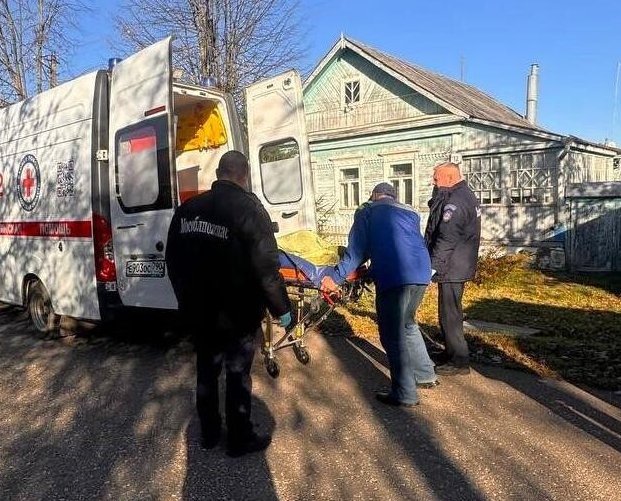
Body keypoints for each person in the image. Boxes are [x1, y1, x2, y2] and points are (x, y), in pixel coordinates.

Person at [166, 150, 293, 456]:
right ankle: (239, 439)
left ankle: (209, 434)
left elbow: (172, 260)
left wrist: (185, 299)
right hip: (239, 314)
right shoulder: (250, 210)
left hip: (200, 312)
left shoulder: (188, 210)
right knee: (237, 375)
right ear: (243, 174)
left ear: (219, 173)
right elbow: (267, 270)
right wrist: (284, 311)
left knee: (206, 373)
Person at [322, 182, 438, 407]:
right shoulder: (409, 212)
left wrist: (334, 278)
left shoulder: (368, 210)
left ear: (374, 195)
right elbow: (398, 244)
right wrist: (372, 269)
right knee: (408, 324)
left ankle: (405, 393)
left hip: (396, 276)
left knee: (392, 335)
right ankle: (425, 374)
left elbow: (356, 251)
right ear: (394, 197)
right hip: (422, 272)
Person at [424, 162, 481, 376]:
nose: (433, 182)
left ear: (449, 178)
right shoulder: (463, 195)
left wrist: (431, 268)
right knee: (450, 312)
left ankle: (459, 361)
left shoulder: (455, 202)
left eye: (436, 179)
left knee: (450, 315)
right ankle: (451, 353)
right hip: (457, 264)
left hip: (451, 266)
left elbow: (446, 238)